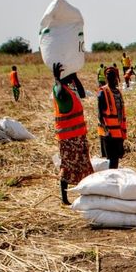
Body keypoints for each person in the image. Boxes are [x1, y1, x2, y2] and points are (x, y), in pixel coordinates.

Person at [51, 62, 93, 204]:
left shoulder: (69, 90)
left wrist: (75, 76)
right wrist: (56, 78)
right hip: (68, 138)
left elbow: (82, 93)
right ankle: (64, 198)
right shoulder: (60, 91)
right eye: (69, 77)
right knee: (67, 166)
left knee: (83, 164)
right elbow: (58, 92)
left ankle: (84, 192)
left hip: (78, 135)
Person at [98, 66, 127, 169]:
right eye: (108, 74)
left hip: (118, 131)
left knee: (116, 160)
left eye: (112, 74)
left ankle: (112, 180)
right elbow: (100, 114)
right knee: (112, 159)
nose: (109, 76)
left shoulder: (118, 92)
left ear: (116, 77)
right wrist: (106, 130)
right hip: (109, 132)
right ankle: (111, 181)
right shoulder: (103, 92)